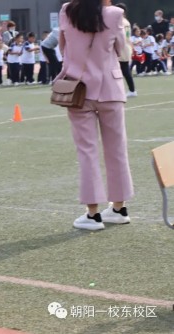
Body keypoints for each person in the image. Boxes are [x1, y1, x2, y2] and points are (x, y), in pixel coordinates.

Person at [57, 0, 133, 231]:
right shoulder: (116, 13)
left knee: (87, 152)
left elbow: (62, 47)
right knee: (117, 149)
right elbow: (123, 52)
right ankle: (118, 208)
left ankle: (92, 214)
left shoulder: (67, 10)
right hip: (111, 87)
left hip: (78, 88)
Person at [115, 3, 137, 97]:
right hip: (126, 47)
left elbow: (120, 36)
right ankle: (130, 90)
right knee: (123, 70)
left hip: (122, 48)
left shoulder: (120, 22)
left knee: (123, 70)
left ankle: (132, 90)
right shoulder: (126, 21)